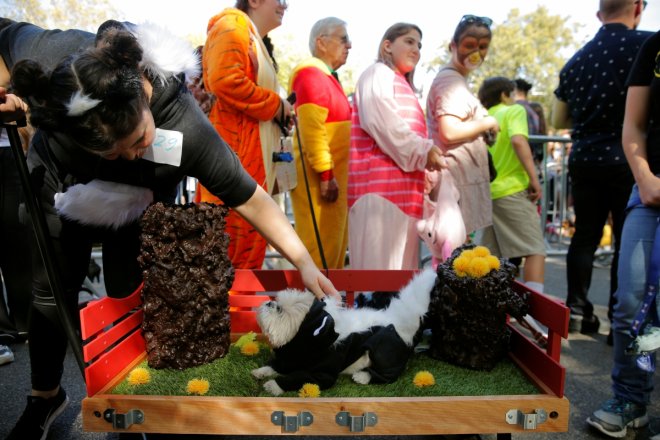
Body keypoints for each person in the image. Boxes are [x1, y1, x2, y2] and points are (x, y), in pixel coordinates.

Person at [0, 20, 338, 440]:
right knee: (51, 290)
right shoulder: (51, 55)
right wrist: (14, 99)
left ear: (142, 96)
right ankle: (45, 396)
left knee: (132, 286)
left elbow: (250, 199)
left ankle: (133, 404)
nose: (128, 156)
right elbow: (4, 33)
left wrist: (303, 261)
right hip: (59, 180)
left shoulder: (184, 125)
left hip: (140, 197)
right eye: (112, 150)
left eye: (138, 139)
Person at [552, 0, 651, 337]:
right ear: (637, 8)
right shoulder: (646, 46)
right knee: (628, 238)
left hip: (585, 156)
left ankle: (577, 312)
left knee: (585, 235)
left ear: (599, 15)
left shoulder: (575, 61)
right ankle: (618, 321)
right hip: (631, 157)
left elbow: (557, 119)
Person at [586, 28, 659, 439]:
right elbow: (634, 125)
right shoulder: (654, 46)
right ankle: (631, 399)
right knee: (633, 303)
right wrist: (646, 180)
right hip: (650, 189)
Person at [196, 0, 294, 270]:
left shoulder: (250, 35)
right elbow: (224, 79)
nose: (286, 5)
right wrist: (276, 105)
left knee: (243, 266)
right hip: (233, 165)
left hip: (247, 166)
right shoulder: (232, 25)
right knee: (229, 267)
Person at [347, 22, 445, 271]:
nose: (416, 49)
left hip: (403, 196)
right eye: (409, 41)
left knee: (398, 286)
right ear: (387, 46)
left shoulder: (400, 83)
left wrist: (428, 165)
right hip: (379, 194)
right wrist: (425, 151)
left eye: (419, 45)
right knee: (377, 286)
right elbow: (382, 122)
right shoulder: (376, 73)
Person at [425, 14, 499, 238]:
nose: (476, 52)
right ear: (453, 46)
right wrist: (488, 122)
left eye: (483, 46)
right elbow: (449, 131)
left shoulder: (456, 79)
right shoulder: (451, 81)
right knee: (454, 253)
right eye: (469, 45)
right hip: (456, 181)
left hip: (458, 181)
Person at [288, 17, 352, 269]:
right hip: (323, 183)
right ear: (321, 42)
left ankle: (327, 306)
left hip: (333, 181)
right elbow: (312, 130)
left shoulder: (326, 77)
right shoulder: (310, 74)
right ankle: (313, 308)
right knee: (319, 252)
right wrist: (326, 174)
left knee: (332, 250)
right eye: (343, 38)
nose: (350, 45)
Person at [476, 77, 546, 295]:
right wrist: (534, 178)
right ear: (505, 95)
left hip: (489, 192)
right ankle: (532, 310)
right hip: (512, 189)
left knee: (490, 258)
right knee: (535, 250)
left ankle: (486, 309)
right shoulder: (513, 111)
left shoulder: (485, 118)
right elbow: (518, 141)